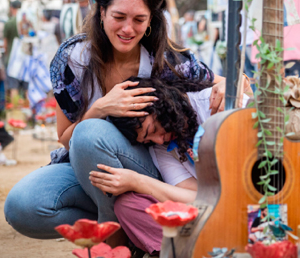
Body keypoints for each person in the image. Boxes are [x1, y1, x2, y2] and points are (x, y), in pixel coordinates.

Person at [4, 0, 241, 242]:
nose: (128, 29)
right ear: (101, 12)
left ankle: (113, 241)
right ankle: (127, 222)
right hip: (88, 163)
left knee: (90, 134)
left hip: (151, 169)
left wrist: (232, 84)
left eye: (139, 19)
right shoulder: (72, 60)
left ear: (151, 20)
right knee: (22, 207)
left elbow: (228, 83)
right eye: (119, 17)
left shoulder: (163, 61)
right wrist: (100, 108)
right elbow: (65, 138)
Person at [102, 76, 248, 255]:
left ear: (160, 103)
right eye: (147, 140)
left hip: (256, 202)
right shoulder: (161, 148)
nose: (159, 140)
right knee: (127, 205)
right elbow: (199, 199)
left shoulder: (214, 102)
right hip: (216, 218)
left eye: (153, 129)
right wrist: (136, 182)